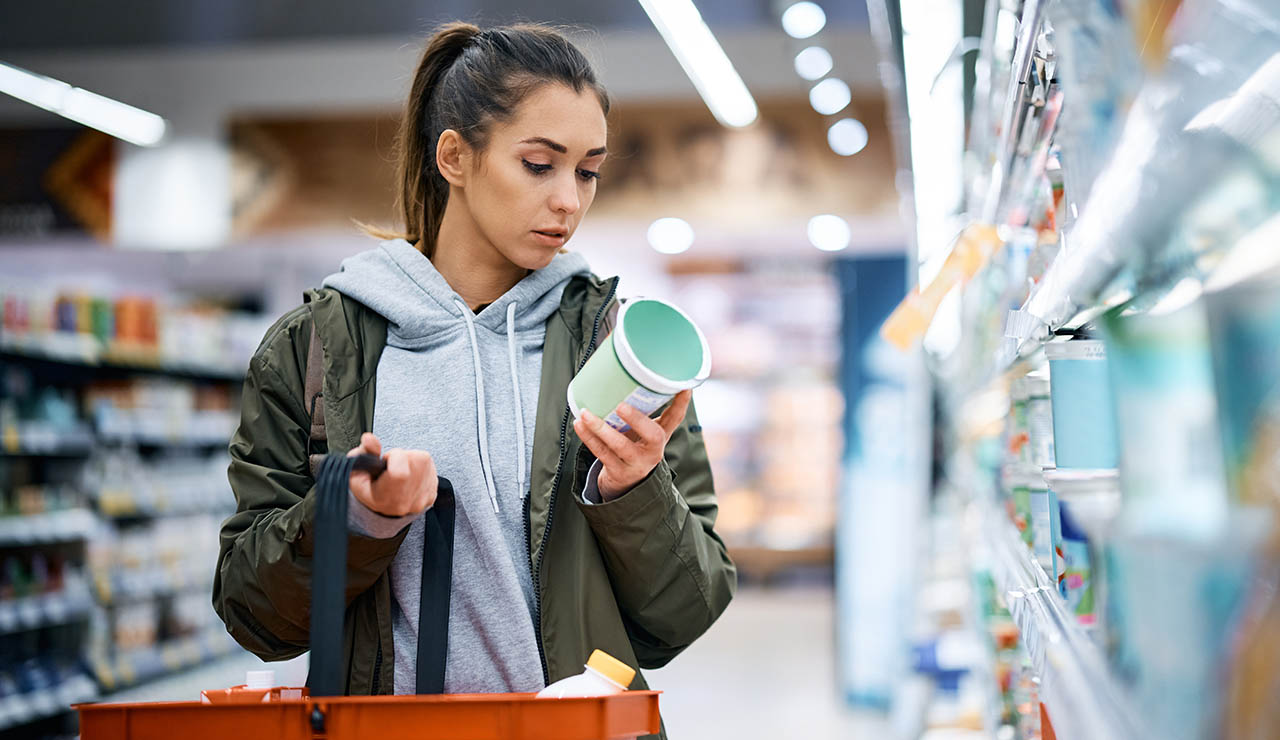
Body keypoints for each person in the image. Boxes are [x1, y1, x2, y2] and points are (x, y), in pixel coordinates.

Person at [212, 21, 736, 737]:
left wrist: (633, 493)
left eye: (587, 171)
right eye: (539, 164)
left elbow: (685, 614)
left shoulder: (618, 348)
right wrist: (360, 518)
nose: (569, 200)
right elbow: (254, 614)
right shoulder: (313, 350)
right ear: (455, 156)